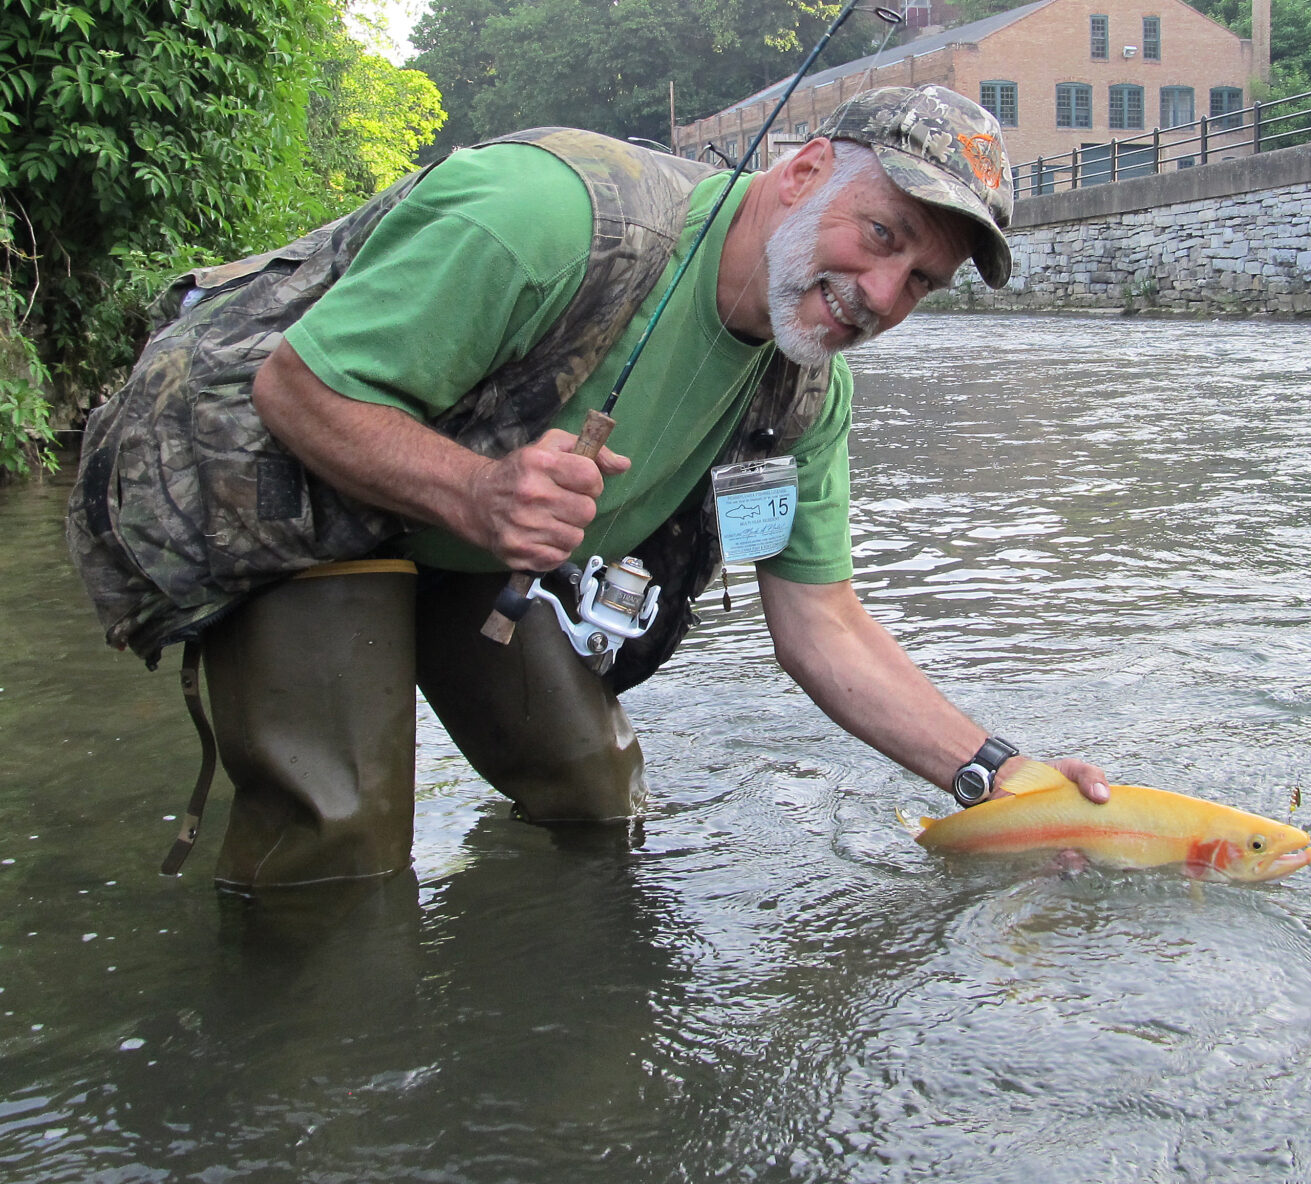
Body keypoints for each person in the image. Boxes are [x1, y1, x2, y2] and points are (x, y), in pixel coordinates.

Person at [202, 85, 1110, 888]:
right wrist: (478, 493)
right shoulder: (549, 217)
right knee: (343, 839)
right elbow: (296, 389)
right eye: (882, 235)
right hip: (302, 498)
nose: (879, 292)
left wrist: (999, 777)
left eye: (920, 280)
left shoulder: (807, 398)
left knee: (599, 796)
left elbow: (819, 622)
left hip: (473, 546)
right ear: (805, 172)